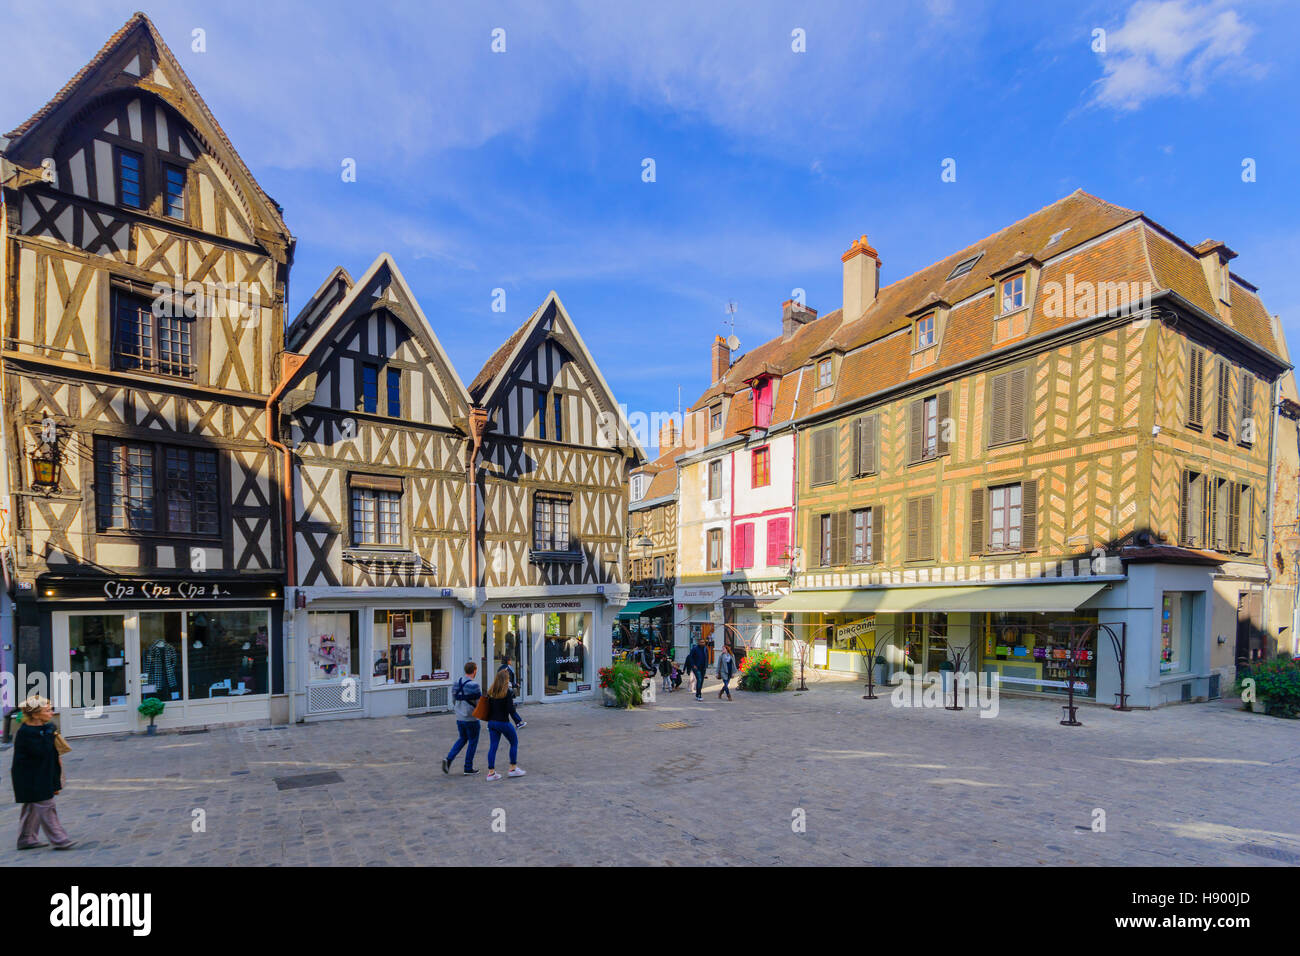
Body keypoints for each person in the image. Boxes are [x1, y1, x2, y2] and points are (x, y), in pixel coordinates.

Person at [11, 695, 76, 850]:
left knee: (32, 807)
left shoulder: (43, 728)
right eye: (47, 710)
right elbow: (40, 751)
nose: (51, 713)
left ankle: (26, 839)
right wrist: (48, 733)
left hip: (42, 773)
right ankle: (60, 839)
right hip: (30, 777)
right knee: (46, 806)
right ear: (35, 714)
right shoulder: (26, 732)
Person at [483, 670, 526, 781]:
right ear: (506, 680)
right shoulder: (507, 692)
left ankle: (491, 773)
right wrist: (517, 721)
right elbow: (511, 710)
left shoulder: (491, 691)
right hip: (503, 722)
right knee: (514, 742)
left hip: (492, 722)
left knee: (493, 746)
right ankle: (512, 768)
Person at [442, 662, 482, 776]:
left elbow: (453, 700)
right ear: (474, 670)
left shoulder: (456, 683)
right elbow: (479, 703)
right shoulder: (474, 685)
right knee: (473, 742)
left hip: (459, 718)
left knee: (462, 738)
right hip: (471, 719)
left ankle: (449, 759)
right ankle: (468, 767)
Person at [496, 656, 526, 728]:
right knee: (510, 707)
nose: (511, 661)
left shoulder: (500, 668)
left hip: (501, 689)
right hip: (506, 690)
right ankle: (518, 722)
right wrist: (515, 685)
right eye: (510, 660)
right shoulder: (508, 669)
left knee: (502, 707)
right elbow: (507, 681)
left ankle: (493, 722)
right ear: (508, 661)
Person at [686, 636, 710, 701]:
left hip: (703, 667)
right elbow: (690, 657)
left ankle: (698, 694)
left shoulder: (705, 649)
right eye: (701, 642)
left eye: (703, 642)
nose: (702, 643)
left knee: (701, 681)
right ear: (698, 643)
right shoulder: (694, 649)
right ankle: (699, 695)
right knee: (699, 679)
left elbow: (707, 657)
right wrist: (693, 665)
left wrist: (706, 665)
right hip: (696, 667)